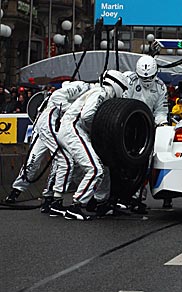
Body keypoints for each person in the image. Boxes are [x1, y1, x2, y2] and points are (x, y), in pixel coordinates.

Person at [5, 82, 90, 211]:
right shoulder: (82, 89)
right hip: (48, 125)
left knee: (46, 162)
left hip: (46, 125)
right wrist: (71, 110)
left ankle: (46, 197)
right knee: (54, 161)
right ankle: (21, 192)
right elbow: (56, 100)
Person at [56, 70, 129, 220]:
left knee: (103, 165)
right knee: (95, 169)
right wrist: (101, 128)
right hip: (73, 129)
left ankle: (99, 202)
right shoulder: (101, 92)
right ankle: (76, 205)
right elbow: (87, 115)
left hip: (74, 129)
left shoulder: (102, 93)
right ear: (118, 85)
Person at [124, 55, 169, 209]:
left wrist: (162, 124)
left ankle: (138, 198)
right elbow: (122, 103)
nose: (147, 80)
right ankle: (123, 195)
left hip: (147, 127)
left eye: (149, 77)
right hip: (128, 126)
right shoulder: (129, 81)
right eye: (144, 77)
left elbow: (161, 110)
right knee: (126, 163)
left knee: (146, 164)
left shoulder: (161, 87)